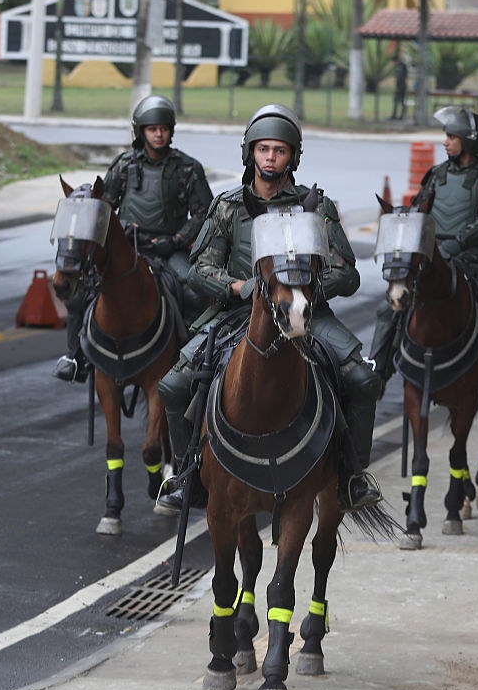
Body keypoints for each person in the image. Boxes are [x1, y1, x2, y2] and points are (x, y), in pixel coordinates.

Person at [155, 104, 383, 514]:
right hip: (239, 314)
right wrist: (240, 287)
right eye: (264, 150)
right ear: (250, 153)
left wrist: (305, 290)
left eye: (279, 150)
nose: (271, 158)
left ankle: (352, 476)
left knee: (363, 380)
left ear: (292, 156)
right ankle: (188, 474)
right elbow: (200, 269)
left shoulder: (316, 207)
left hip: (303, 312)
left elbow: (346, 273)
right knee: (173, 386)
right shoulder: (228, 206)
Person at [369, 106, 478, 405]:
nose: (445, 142)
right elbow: (420, 212)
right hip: (433, 256)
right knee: (392, 304)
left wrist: (457, 243)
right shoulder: (437, 174)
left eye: (451, 136)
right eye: (445, 136)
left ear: (469, 139)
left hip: (474, 257)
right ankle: (376, 369)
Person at [52, 94, 214, 383]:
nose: (159, 134)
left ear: (171, 130)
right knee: (82, 291)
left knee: (194, 289)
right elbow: (103, 207)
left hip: (168, 249)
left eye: (164, 128)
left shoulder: (188, 168)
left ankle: (191, 354)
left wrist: (177, 239)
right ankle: (76, 356)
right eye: (152, 129)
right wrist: (125, 226)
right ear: (141, 132)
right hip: (127, 247)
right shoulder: (124, 164)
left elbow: (204, 215)